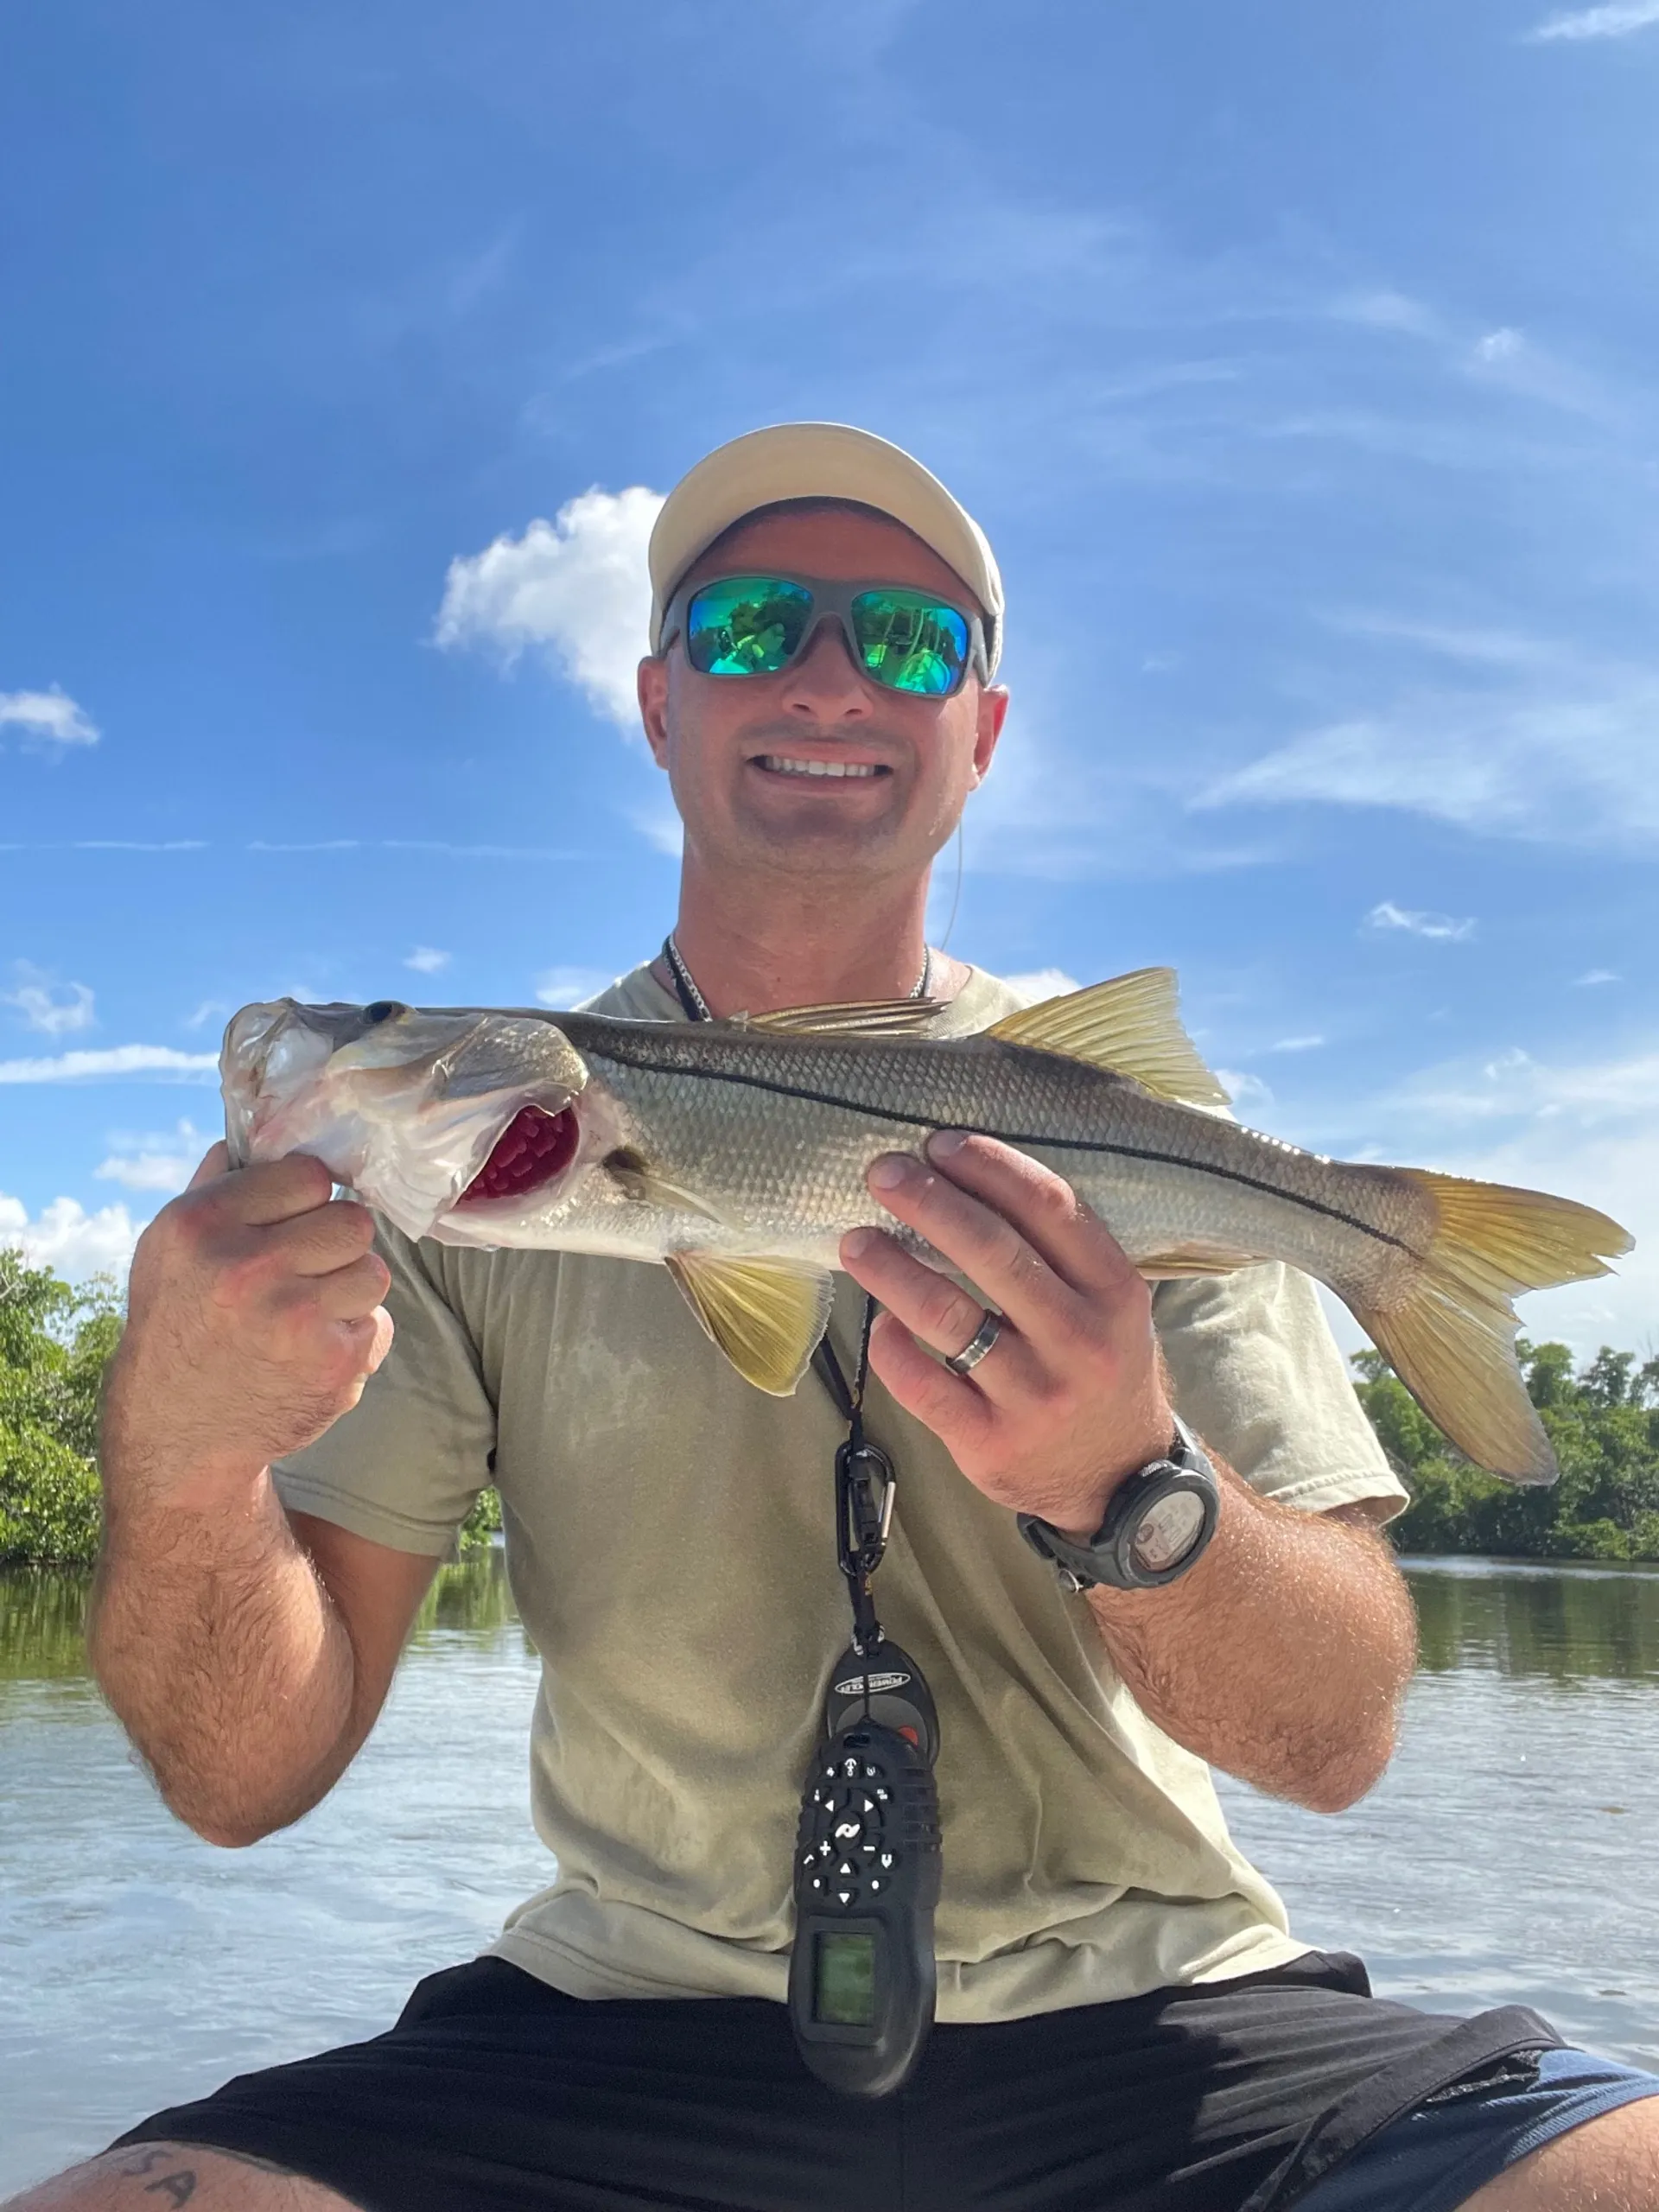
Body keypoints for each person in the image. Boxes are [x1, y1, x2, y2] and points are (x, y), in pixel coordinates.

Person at [13, 423, 1656, 2212]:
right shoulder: (442, 1195)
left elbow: (1338, 1740)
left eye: (905, 640)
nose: (821, 672)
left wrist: (1135, 1481)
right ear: (656, 702)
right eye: (746, 627)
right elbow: (239, 1776)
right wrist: (178, 1457)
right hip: (615, 2023)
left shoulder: (1162, 1153)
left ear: (985, 730)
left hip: (1161, 2019)